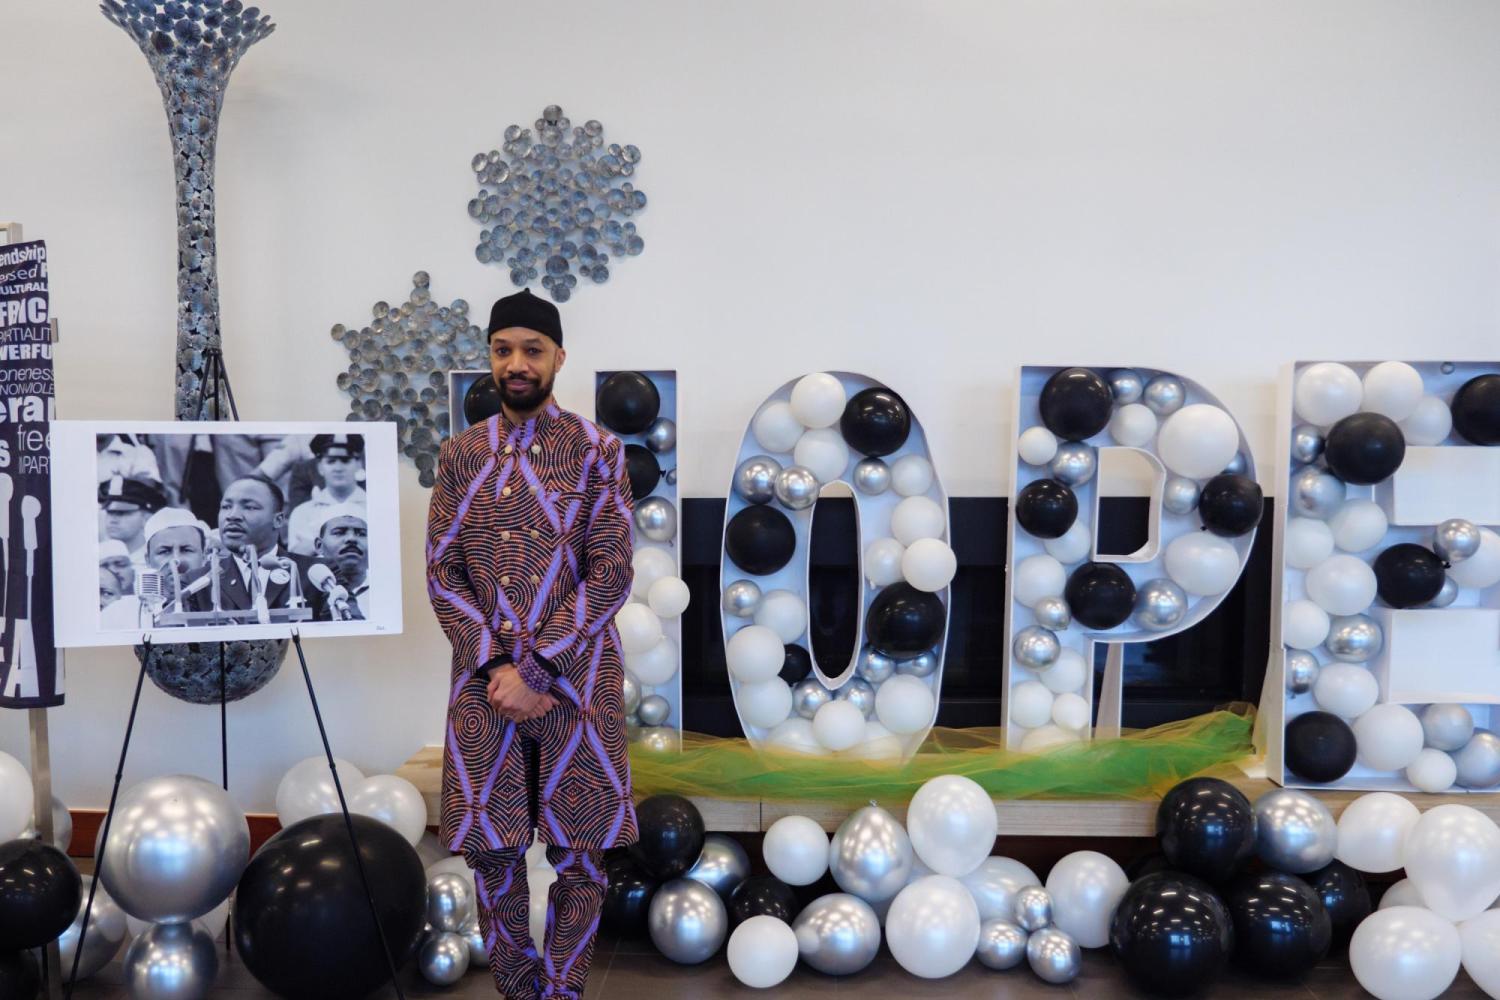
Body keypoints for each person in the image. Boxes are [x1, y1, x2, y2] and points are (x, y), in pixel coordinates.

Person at [426, 289, 636, 1000]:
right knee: (493, 852)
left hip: (577, 681)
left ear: (558, 358)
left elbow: (612, 571)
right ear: (490, 356)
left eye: (531, 350)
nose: (516, 364)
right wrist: (496, 666)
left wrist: (539, 666)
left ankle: (563, 992)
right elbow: (442, 570)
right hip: (484, 687)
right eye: (502, 349)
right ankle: (520, 992)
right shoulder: (459, 457)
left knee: (581, 856)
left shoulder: (598, 450)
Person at [185, 475, 310, 615]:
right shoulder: (196, 583)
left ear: (278, 520)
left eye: (249, 507)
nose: (232, 516)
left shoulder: (314, 574)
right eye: (226, 507)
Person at [100, 507, 211, 629]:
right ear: (147, 560)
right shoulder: (117, 615)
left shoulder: (227, 605)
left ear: (204, 556)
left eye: (186, 550)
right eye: (164, 551)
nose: (176, 561)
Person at [286, 434, 367, 556]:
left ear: (358, 464)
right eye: (331, 461)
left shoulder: (374, 508)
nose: (338, 468)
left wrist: (317, 544)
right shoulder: (303, 512)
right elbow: (297, 555)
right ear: (320, 467)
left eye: (345, 461)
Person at [309, 505, 369, 621]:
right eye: (339, 532)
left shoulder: (388, 589)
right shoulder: (304, 592)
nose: (351, 539)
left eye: (361, 534)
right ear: (319, 545)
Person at [97, 475, 167, 565]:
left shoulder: (158, 562)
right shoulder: (98, 556)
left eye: (122, 513)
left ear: (147, 518)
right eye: (110, 512)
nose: (112, 520)